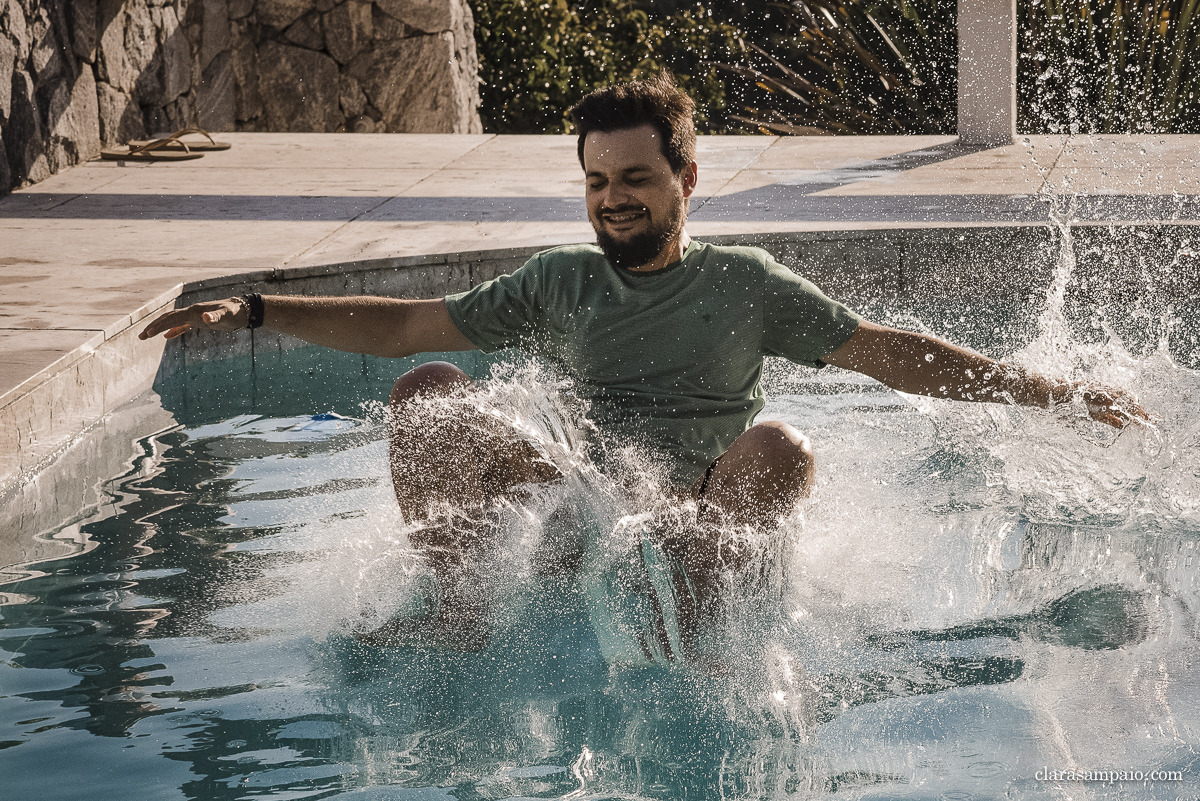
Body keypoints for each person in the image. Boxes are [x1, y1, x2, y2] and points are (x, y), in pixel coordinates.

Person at [139, 73, 1148, 658]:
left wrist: (1052, 392)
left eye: (634, 178)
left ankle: (702, 648)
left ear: (685, 181)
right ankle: (460, 618)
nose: (611, 199)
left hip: (701, 511)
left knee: (783, 447)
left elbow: (889, 355)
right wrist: (261, 308)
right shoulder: (558, 281)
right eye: (594, 182)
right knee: (426, 395)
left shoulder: (745, 283)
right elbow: (408, 329)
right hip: (586, 499)